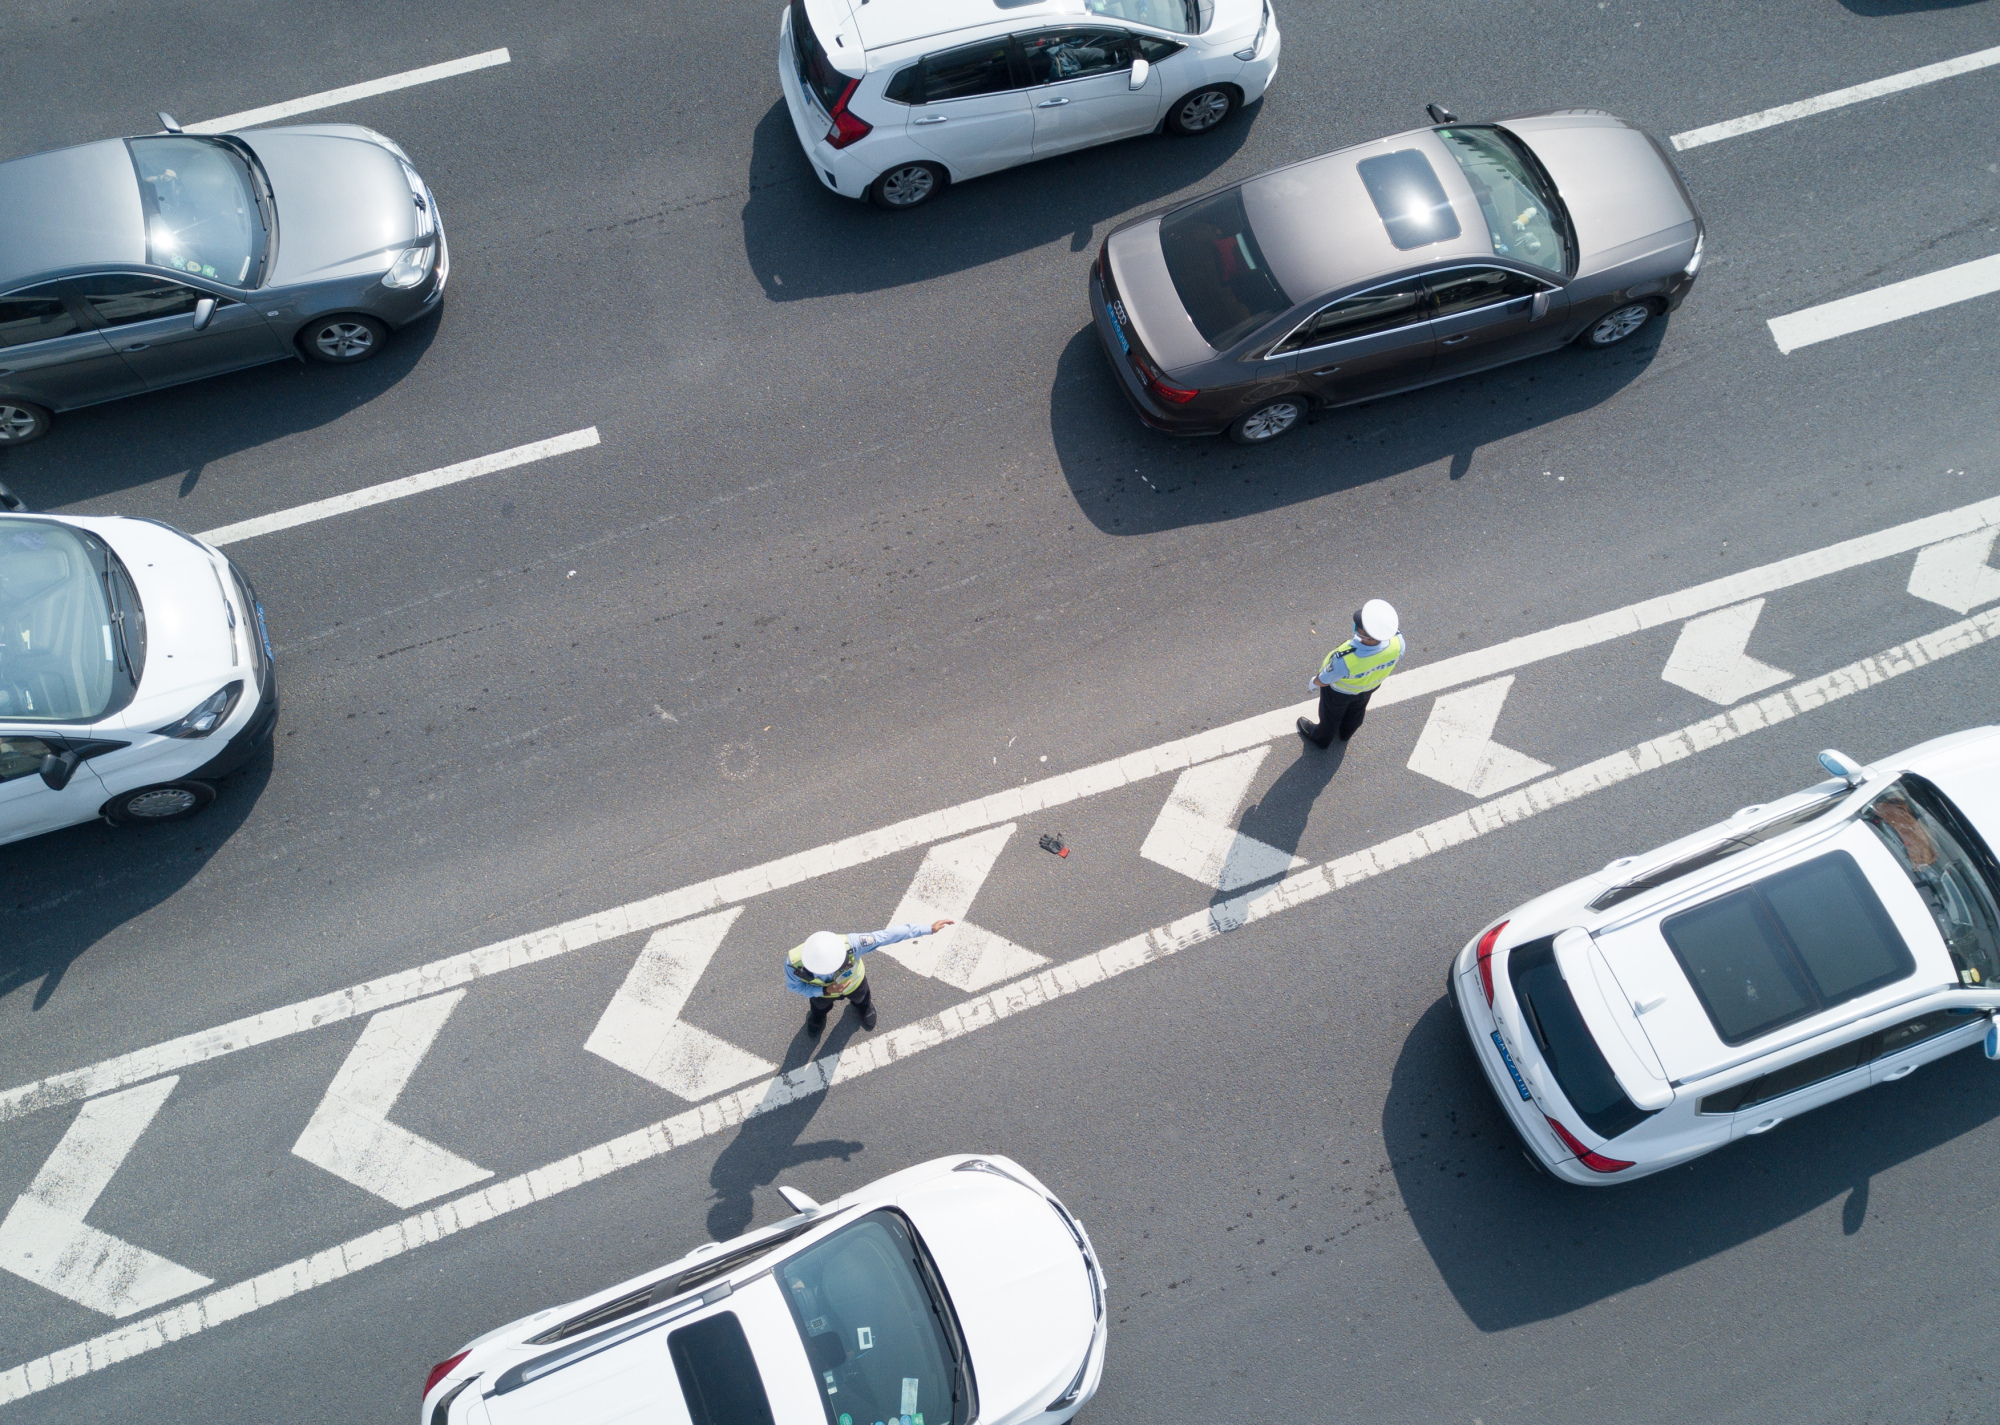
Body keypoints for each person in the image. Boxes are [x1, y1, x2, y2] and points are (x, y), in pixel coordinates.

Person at [786, 919, 954, 1035]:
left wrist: (928, 928)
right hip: (821, 994)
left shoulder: (853, 943)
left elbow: (887, 936)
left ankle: (864, 1008)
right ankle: (817, 1017)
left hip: (855, 984)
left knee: (862, 998)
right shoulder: (793, 963)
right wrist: (824, 990)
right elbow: (794, 986)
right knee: (819, 1006)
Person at [1298, 598, 1405, 749]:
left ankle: (1321, 738)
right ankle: (1346, 733)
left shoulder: (1347, 657)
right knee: (1357, 711)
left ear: (1368, 637)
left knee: (1330, 716)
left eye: (1360, 626)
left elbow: (1326, 679)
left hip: (1340, 693)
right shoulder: (1398, 642)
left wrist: (1314, 682)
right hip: (1370, 686)